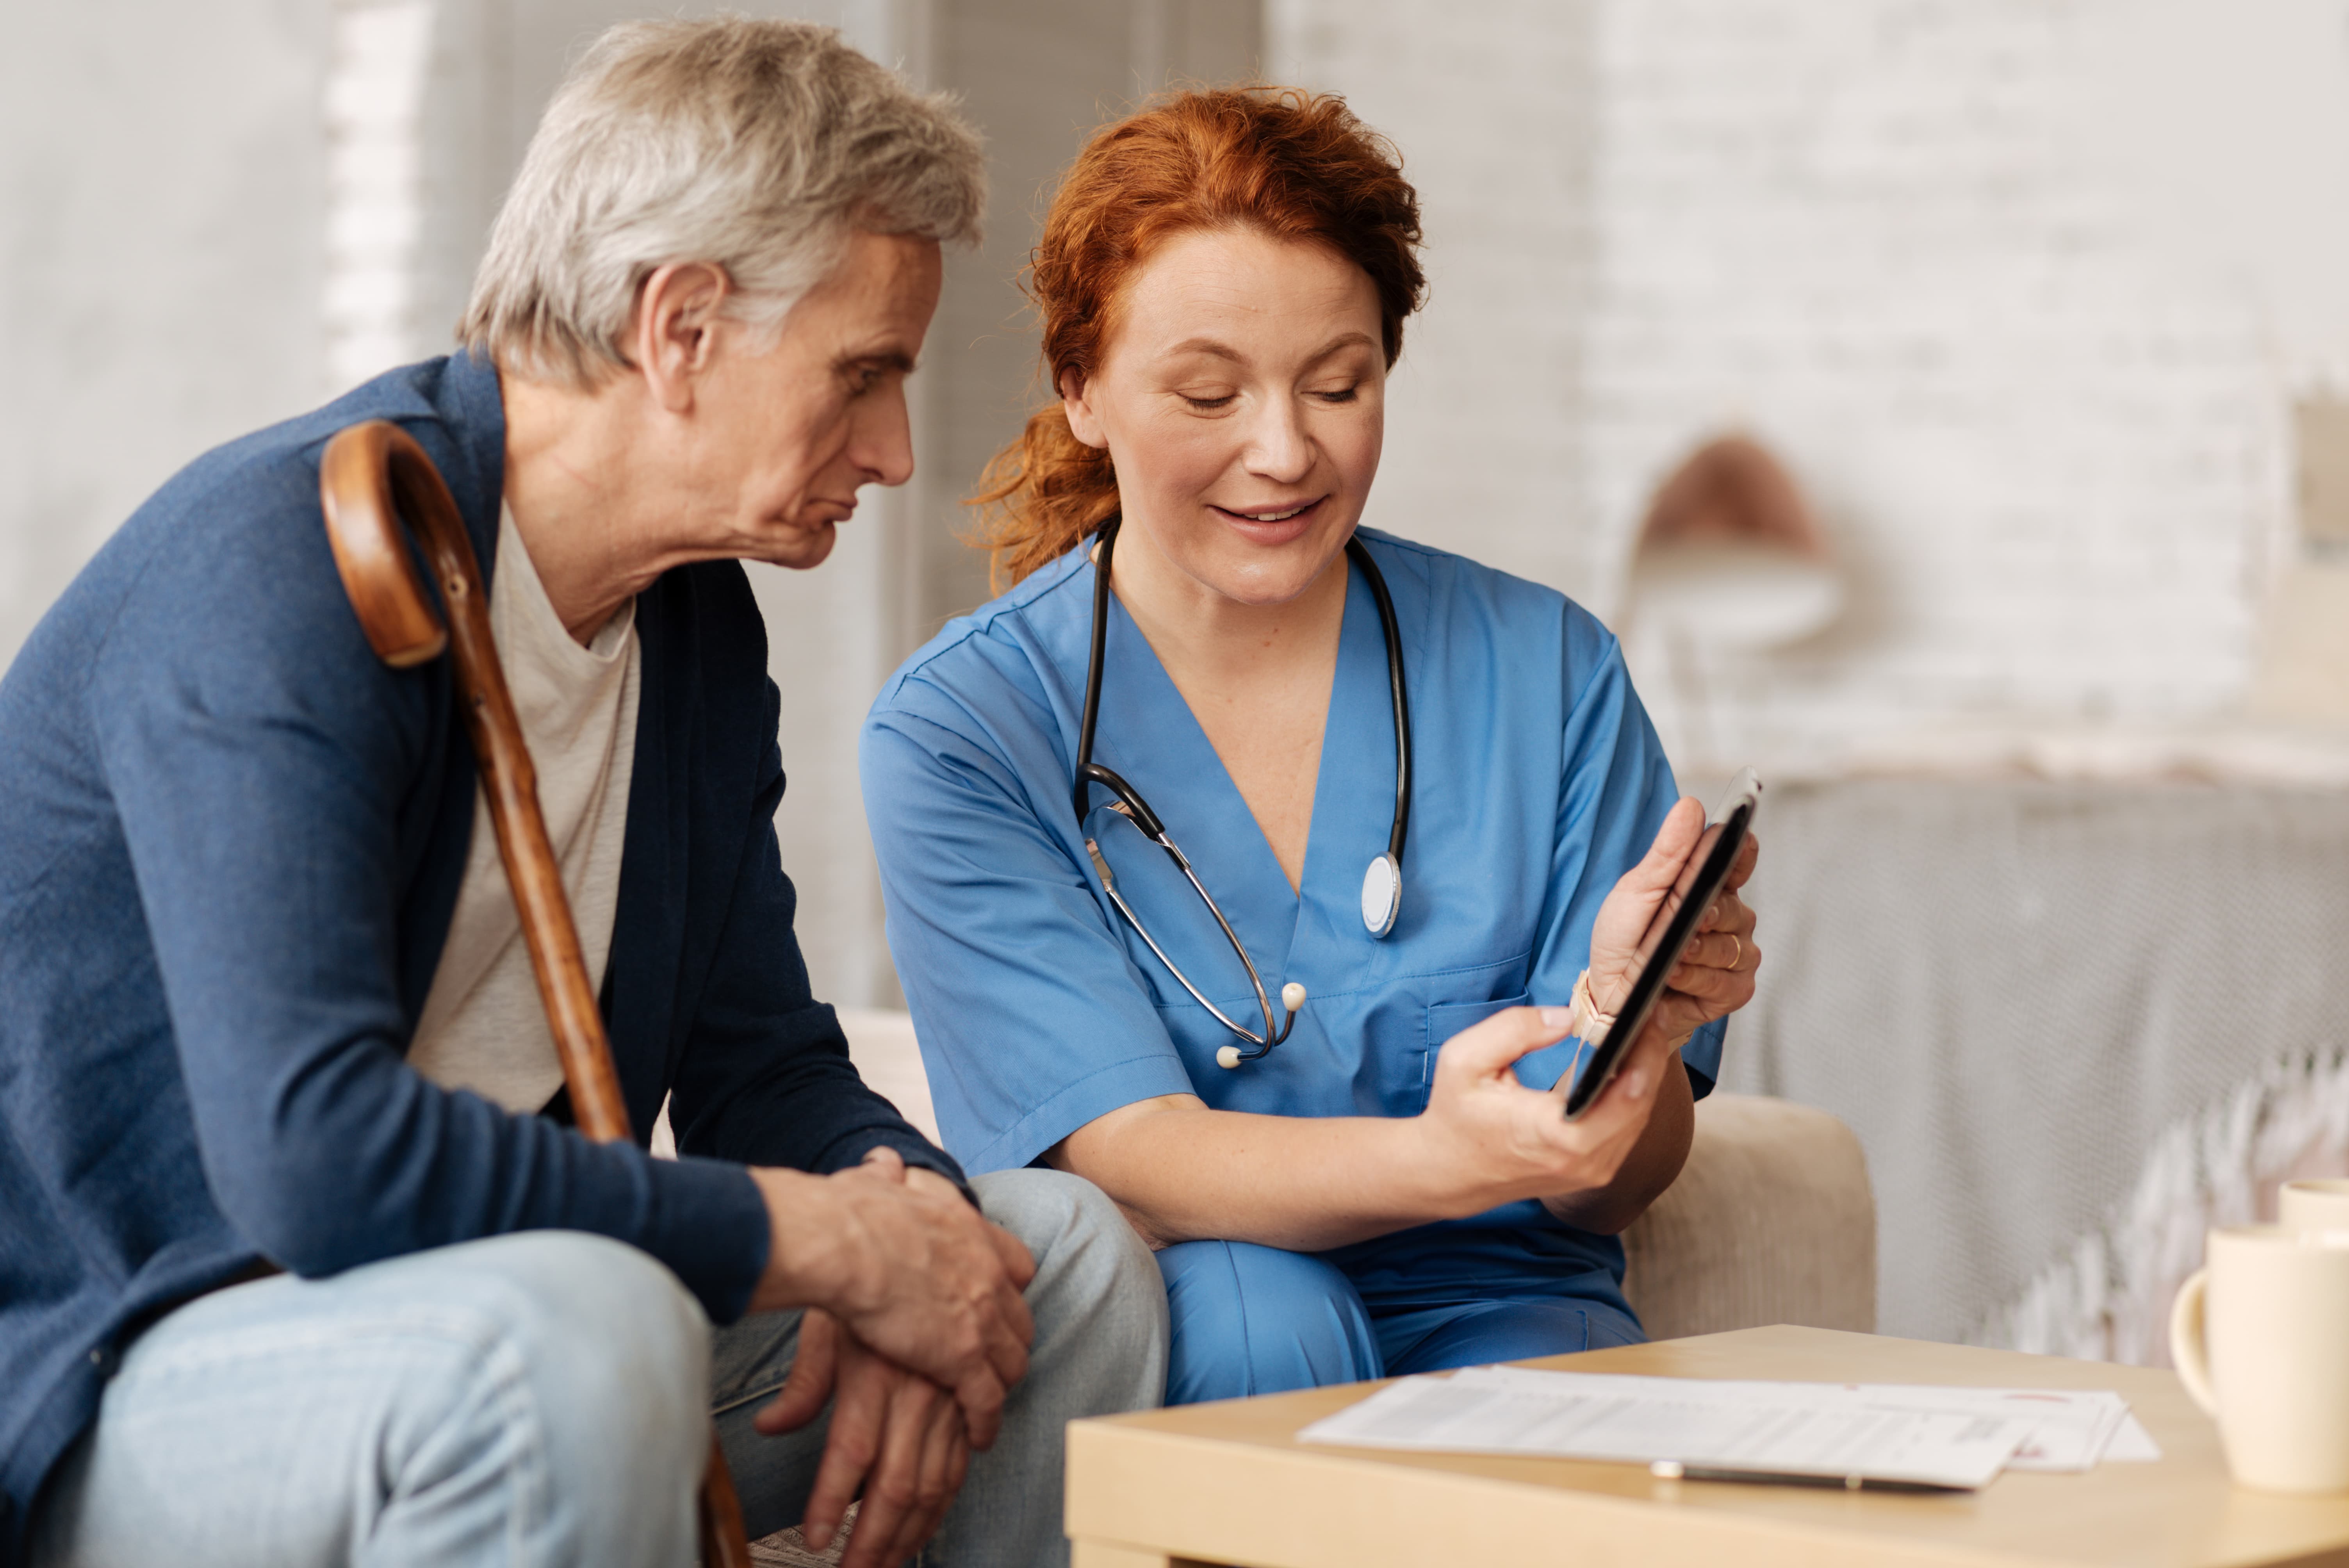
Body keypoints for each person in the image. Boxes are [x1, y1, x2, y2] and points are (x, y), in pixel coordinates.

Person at [0, 21, 1163, 1568]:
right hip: (123, 1367)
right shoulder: (281, 568)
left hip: (510, 1319)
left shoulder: (689, 623)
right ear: (679, 326)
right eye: (862, 374)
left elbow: (765, 1068)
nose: (891, 450)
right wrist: (817, 1239)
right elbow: (312, 1156)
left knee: (1058, 1259)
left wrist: (920, 1241)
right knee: (562, 1324)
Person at [860, 87, 1760, 1406]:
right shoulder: (969, 730)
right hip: (1205, 1295)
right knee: (1260, 1324)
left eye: (1338, 385)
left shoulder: (1549, 672)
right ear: (1083, 391)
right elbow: (1127, 1150)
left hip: (1504, 1295)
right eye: (1209, 392)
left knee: (1568, 1405)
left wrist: (1634, 1050)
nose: (1283, 453)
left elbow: (1606, 1183)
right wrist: (1451, 1159)